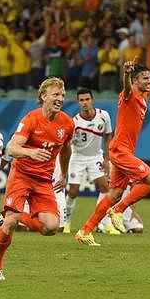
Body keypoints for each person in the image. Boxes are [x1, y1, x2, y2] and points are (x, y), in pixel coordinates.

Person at [75, 50, 150, 246]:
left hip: (124, 151)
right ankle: (118, 211)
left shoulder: (145, 93)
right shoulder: (128, 95)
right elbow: (127, 88)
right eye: (144, 78)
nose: (148, 81)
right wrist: (126, 74)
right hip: (120, 150)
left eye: (148, 78)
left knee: (115, 194)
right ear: (136, 81)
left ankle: (85, 231)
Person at [0, 77, 74, 281]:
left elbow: (66, 149)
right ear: (43, 96)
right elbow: (12, 147)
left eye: (62, 95)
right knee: (11, 224)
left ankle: (10, 216)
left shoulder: (67, 123)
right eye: (55, 94)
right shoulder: (30, 119)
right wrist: (31, 153)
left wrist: (64, 172)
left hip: (43, 180)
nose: (60, 98)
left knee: (52, 228)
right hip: (22, 175)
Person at [63, 88, 113, 234]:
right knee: (73, 191)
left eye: (87, 99)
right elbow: (67, 144)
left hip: (95, 156)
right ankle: (67, 222)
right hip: (77, 157)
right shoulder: (74, 122)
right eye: (81, 100)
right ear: (78, 102)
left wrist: (107, 159)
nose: (85, 103)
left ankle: (103, 223)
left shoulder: (104, 116)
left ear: (92, 100)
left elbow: (108, 136)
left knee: (105, 187)